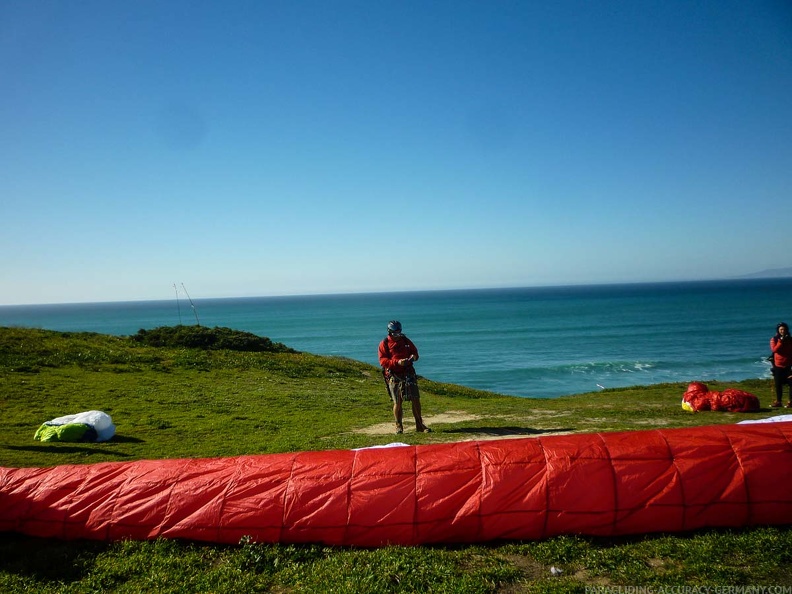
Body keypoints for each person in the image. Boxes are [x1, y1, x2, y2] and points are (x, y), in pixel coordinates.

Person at [378, 320, 431, 434]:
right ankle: (399, 426)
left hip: (408, 373)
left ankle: (419, 424)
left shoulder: (406, 341)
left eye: (399, 332)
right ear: (390, 332)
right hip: (394, 375)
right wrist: (397, 362)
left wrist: (413, 358)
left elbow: (415, 353)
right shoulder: (384, 344)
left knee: (415, 399)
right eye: (395, 333)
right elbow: (383, 361)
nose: (398, 335)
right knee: (398, 401)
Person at [770, 322, 792, 408]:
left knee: (791, 383)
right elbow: (774, 350)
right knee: (778, 384)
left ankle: (790, 402)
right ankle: (779, 401)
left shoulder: (790, 339)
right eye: (781, 329)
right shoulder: (774, 339)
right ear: (778, 331)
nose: (783, 331)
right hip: (778, 365)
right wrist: (780, 341)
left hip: (789, 365)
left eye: (784, 329)